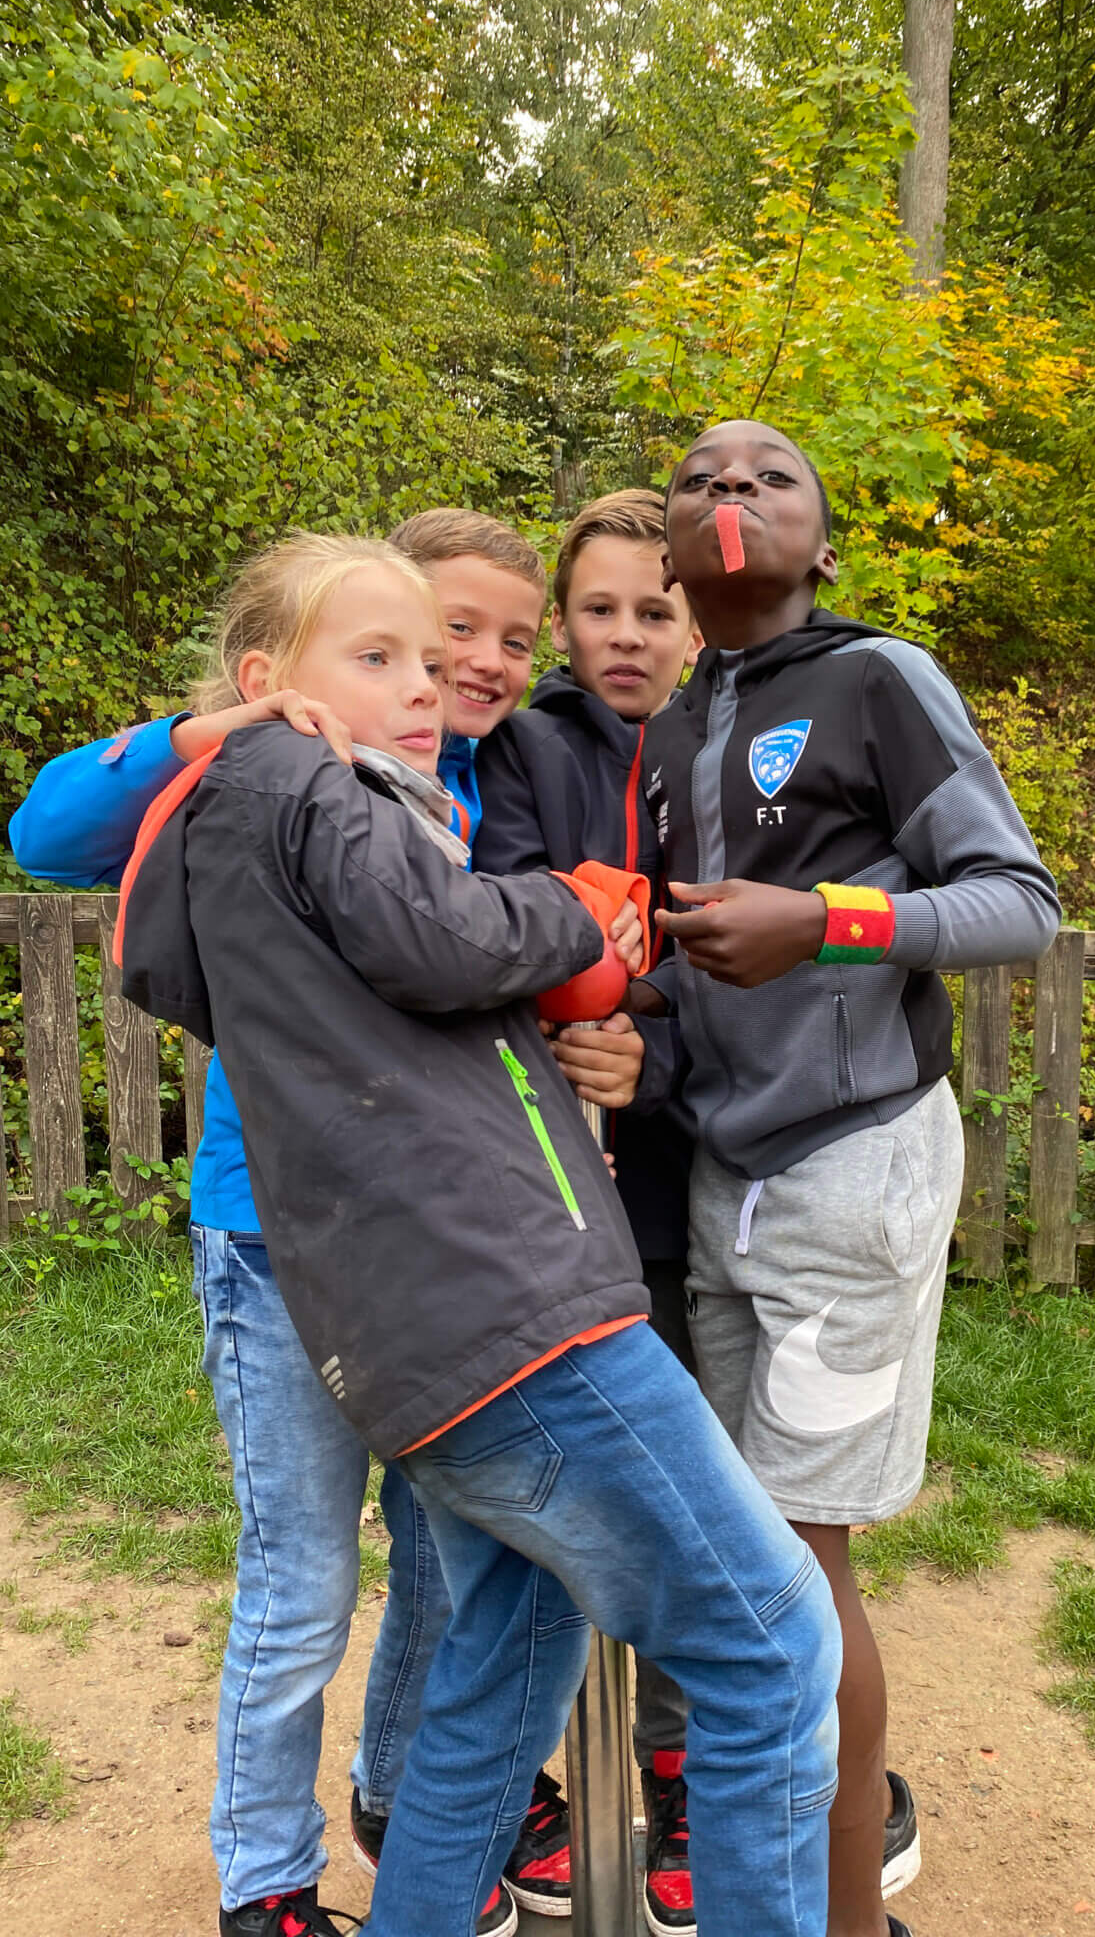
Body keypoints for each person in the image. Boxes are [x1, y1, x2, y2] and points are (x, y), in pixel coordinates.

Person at [115, 530, 842, 1937]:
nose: (425, 687)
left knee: (510, 1661)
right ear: (267, 681)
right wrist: (574, 919)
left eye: (434, 663)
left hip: (423, 1334)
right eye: (378, 658)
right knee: (773, 1644)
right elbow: (442, 940)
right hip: (512, 1321)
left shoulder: (286, 826)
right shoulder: (290, 777)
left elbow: (400, 968)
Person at [7, 510, 571, 1937]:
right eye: (405, 649)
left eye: (485, 651)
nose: (451, 677)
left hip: (438, 1255)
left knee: (453, 1560)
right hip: (274, 1247)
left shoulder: (460, 789)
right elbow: (47, 829)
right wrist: (220, 729)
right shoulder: (252, 780)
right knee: (301, 1579)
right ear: (298, 668)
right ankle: (265, 1880)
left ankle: (403, 1799)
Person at [641, 420, 1062, 1937]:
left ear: (821, 544)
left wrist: (823, 921)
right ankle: (770, 1883)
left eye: (769, 478)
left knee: (798, 1564)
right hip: (721, 1178)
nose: (730, 492)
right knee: (749, 1551)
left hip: (856, 1164)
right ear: (673, 550)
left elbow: (1018, 905)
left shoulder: (882, 678)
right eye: (699, 478)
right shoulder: (677, 725)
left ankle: (843, 1915)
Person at [473, 487, 703, 1935]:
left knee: (687, 1489)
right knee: (549, 1497)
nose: (626, 636)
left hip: (679, 1174)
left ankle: (681, 1770)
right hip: (533, 1175)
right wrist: (576, 1019)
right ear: (564, 622)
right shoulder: (517, 748)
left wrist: (650, 1047)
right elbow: (487, 919)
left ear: (693, 623)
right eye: (601, 608)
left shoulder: (723, 753)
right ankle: (527, 1776)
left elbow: (746, 955)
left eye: (656, 610)